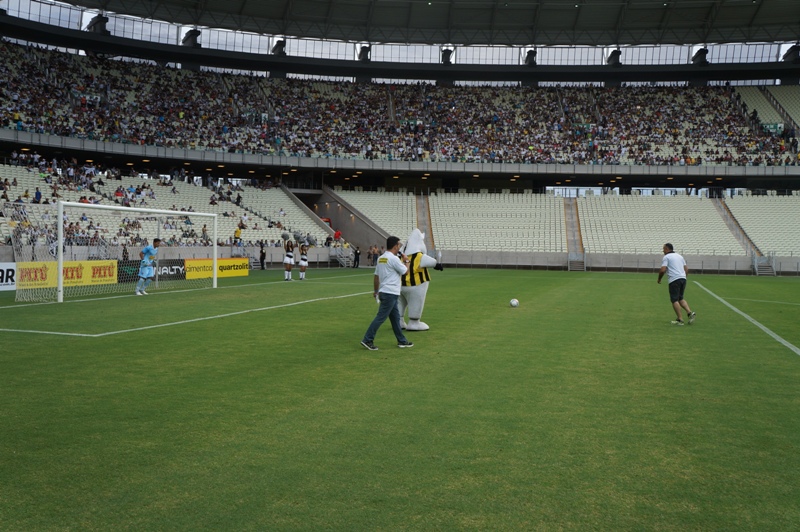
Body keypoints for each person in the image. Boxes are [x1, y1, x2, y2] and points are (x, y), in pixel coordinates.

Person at [361, 236, 414, 351]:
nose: (399, 247)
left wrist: (376, 291)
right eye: (399, 245)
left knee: (395, 318)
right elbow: (406, 271)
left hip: (385, 292)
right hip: (391, 293)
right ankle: (367, 339)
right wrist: (407, 261)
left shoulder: (381, 258)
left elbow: (376, 277)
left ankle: (402, 341)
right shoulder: (393, 259)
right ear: (395, 246)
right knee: (380, 317)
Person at [657, 243, 696, 326]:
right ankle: (689, 313)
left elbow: (663, 270)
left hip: (674, 280)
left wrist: (659, 279)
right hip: (683, 278)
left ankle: (680, 319)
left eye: (663, 249)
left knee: (674, 300)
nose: (663, 251)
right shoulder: (680, 256)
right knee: (680, 298)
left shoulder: (666, 257)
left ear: (667, 249)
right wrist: (683, 277)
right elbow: (686, 269)